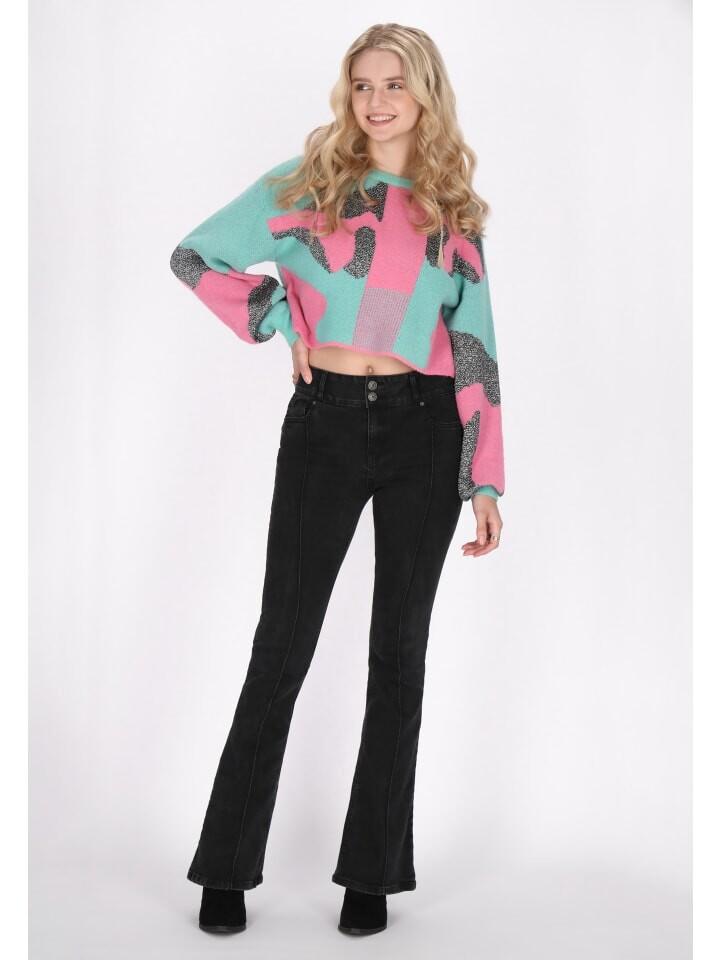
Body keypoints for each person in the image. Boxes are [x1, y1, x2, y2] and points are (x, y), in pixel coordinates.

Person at [170, 21, 505, 937]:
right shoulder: (307, 186)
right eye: (362, 85)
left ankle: (371, 875)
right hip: (324, 422)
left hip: (426, 430)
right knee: (281, 643)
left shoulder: (452, 213)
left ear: (425, 93)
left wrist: (484, 478)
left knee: (399, 652)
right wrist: (278, 314)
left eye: (394, 84)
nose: (376, 101)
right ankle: (226, 869)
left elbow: (474, 346)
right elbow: (194, 255)